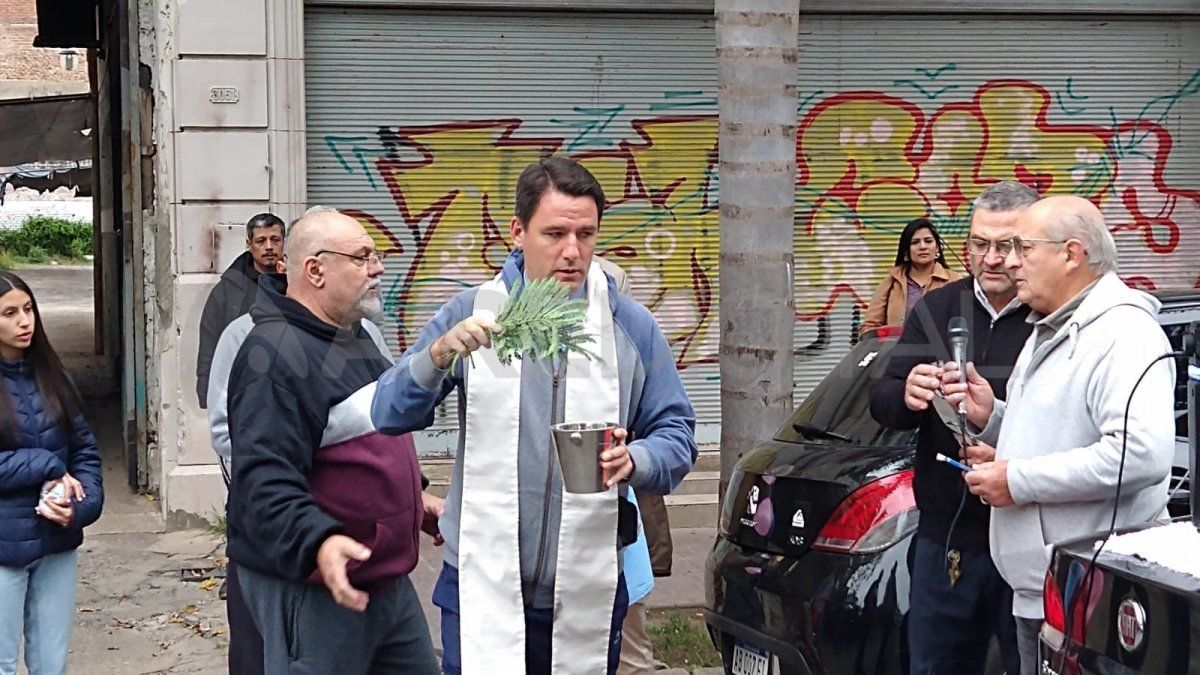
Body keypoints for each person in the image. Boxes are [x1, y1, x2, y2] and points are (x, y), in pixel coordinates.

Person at [371, 156, 697, 675]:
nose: (573, 251)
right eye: (556, 233)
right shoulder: (471, 313)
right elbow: (387, 413)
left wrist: (637, 458)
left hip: (588, 585)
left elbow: (677, 435)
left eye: (586, 234)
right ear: (518, 232)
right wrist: (433, 361)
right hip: (480, 579)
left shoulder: (629, 326)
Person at [946, 195, 1175, 675]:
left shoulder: (1124, 334)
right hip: (1045, 593)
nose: (1009, 262)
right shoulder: (1051, 324)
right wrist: (995, 418)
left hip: (1093, 600)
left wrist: (1018, 479)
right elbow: (1060, 431)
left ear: (1071, 254)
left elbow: (1140, 455)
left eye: (1023, 248)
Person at [224, 208, 441, 674]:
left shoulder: (358, 337)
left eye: (375, 255)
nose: (378, 268)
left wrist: (416, 497)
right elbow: (263, 479)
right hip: (317, 590)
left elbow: (374, 437)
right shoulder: (272, 352)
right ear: (315, 270)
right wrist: (319, 542)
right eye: (362, 257)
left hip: (386, 585)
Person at [869, 181, 1037, 675]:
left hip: (1030, 530)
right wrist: (907, 391)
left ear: (1031, 247)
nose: (990, 259)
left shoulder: (1051, 316)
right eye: (979, 244)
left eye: (1005, 246)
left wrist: (997, 423)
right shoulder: (938, 308)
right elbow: (881, 399)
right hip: (947, 534)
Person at [0, 271, 104, 675]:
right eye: (9, 313)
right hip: (5, 547)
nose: (24, 321)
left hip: (56, 543)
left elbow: (86, 455)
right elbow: (60, 462)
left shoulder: (55, 377)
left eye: (28, 310)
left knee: (51, 665)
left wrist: (80, 509)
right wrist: (47, 464)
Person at [195, 212, 285, 408]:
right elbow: (210, 342)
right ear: (249, 244)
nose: (269, 246)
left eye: (275, 239)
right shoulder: (228, 290)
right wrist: (206, 392)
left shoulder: (299, 283)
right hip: (241, 390)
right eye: (261, 241)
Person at [861, 217, 962, 336]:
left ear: (938, 248)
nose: (922, 246)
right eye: (915, 242)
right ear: (906, 250)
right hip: (899, 353)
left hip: (943, 354)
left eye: (928, 241)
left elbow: (969, 324)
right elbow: (868, 329)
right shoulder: (890, 284)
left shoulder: (955, 282)